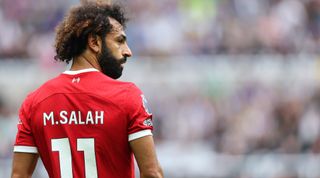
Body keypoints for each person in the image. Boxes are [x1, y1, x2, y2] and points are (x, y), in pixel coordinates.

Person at [11, 3, 163, 178]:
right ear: (94, 42)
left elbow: (18, 175)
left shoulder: (35, 102)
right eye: (120, 41)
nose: (128, 51)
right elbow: (152, 173)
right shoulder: (127, 96)